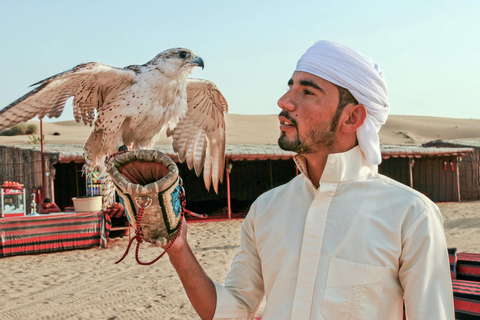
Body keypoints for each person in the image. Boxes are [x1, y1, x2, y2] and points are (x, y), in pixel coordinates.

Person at [166, 41, 454, 319]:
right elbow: (233, 312)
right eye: (291, 86)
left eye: (307, 91)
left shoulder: (410, 214)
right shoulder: (267, 208)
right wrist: (178, 247)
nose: (283, 101)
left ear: (352, 118)